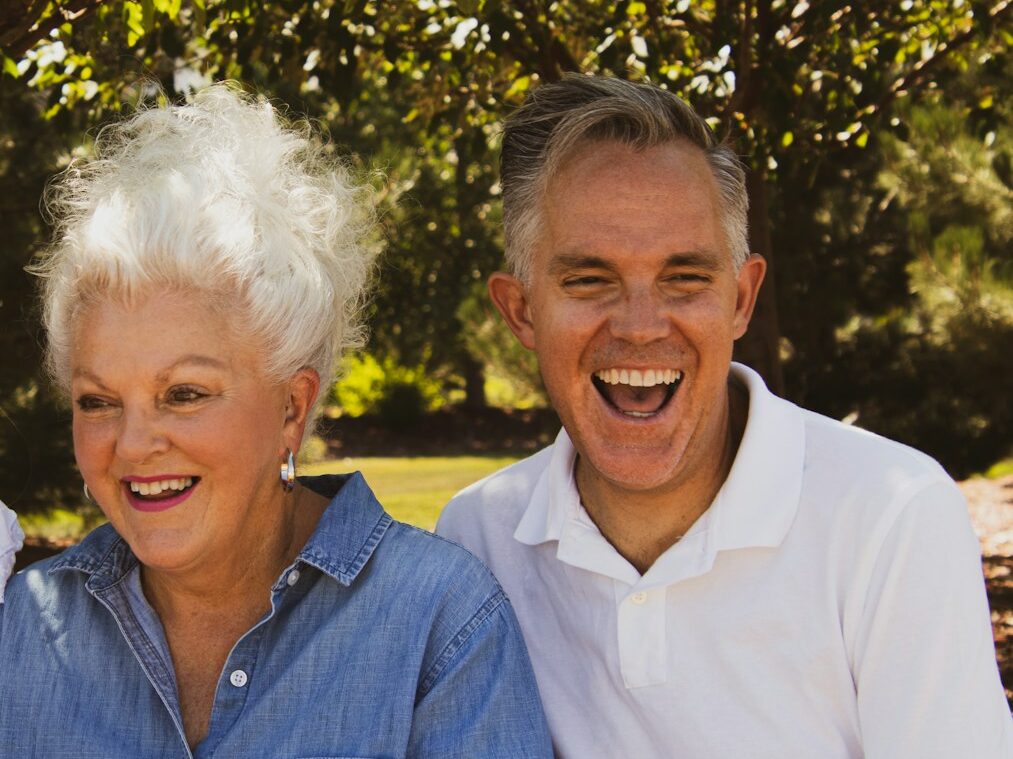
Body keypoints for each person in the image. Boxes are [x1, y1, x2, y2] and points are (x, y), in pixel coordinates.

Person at [437, 74, 1012, 757]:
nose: (641, 326)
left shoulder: (888, 515)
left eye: (685, 277)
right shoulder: (479, 538)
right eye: (588, 279)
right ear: (521, 310)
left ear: (741, 299)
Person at [0, 84, 552, 758]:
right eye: (98, 400)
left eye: (184, 393)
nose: (134, 444)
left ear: (292, 408)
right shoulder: (26, 623)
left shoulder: (439, 622)